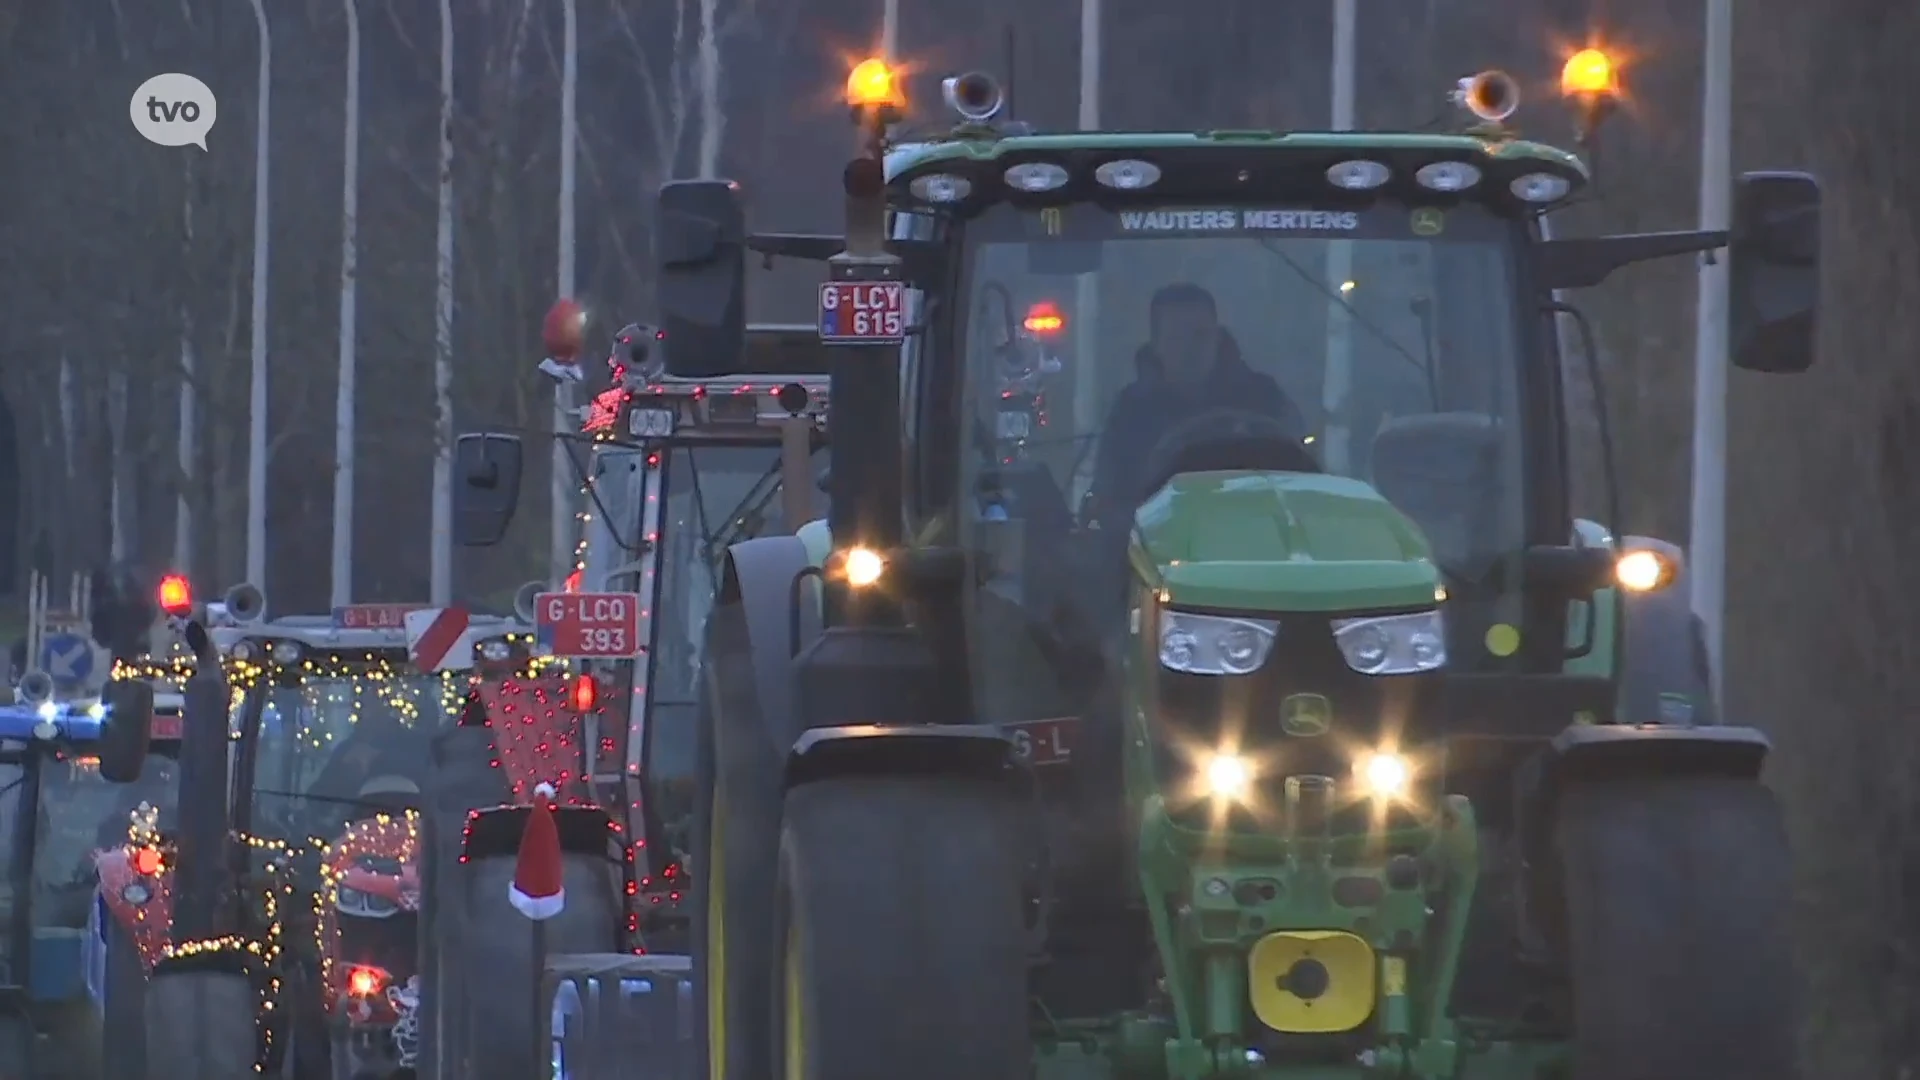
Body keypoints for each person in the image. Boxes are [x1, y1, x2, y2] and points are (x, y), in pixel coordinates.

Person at [1087, 283, 1309, 533]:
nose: (1188, 349)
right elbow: (1110, 499)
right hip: (1157, 551)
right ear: (1157, 345)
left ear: (1217, 337)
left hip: (1258, 542)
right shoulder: (1130, 412)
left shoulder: (1265, 399)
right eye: (1176, 338)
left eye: (1199, 335)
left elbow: (1301, 478)